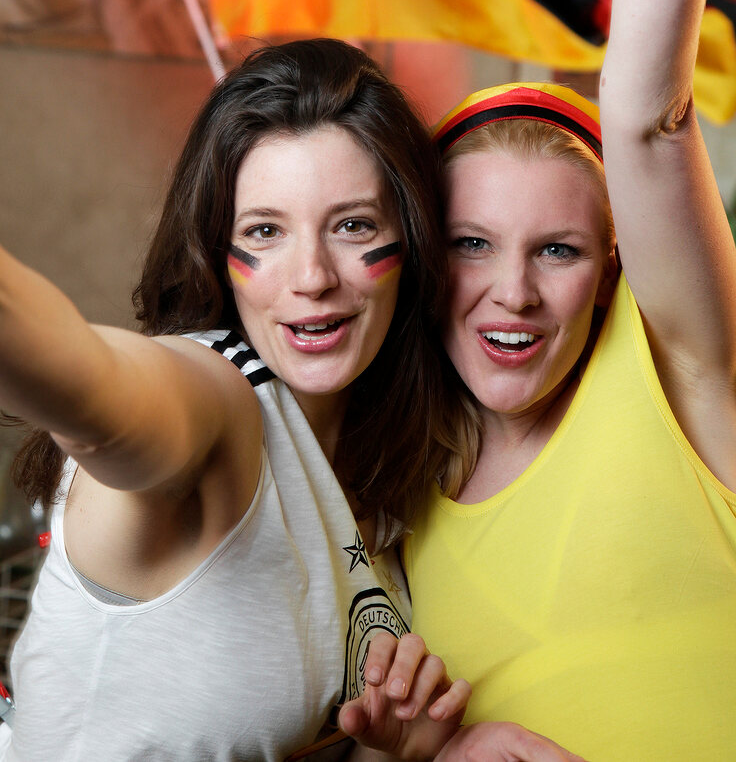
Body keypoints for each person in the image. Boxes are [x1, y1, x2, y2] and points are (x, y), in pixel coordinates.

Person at [401, 0, 736, 759]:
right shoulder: (388, 493)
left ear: (615, 265)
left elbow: (645, 120)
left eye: (557, 247)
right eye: (470, 243)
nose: (512, 289)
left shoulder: (681, 371)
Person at [0, 38, 458, 762]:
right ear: (218, 254)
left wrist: (400, 748)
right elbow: (95, 389)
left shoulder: (384, 488)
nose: (311, 276)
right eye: (264, 232)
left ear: (412, 240)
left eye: (353, 225)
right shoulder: (214, 399)